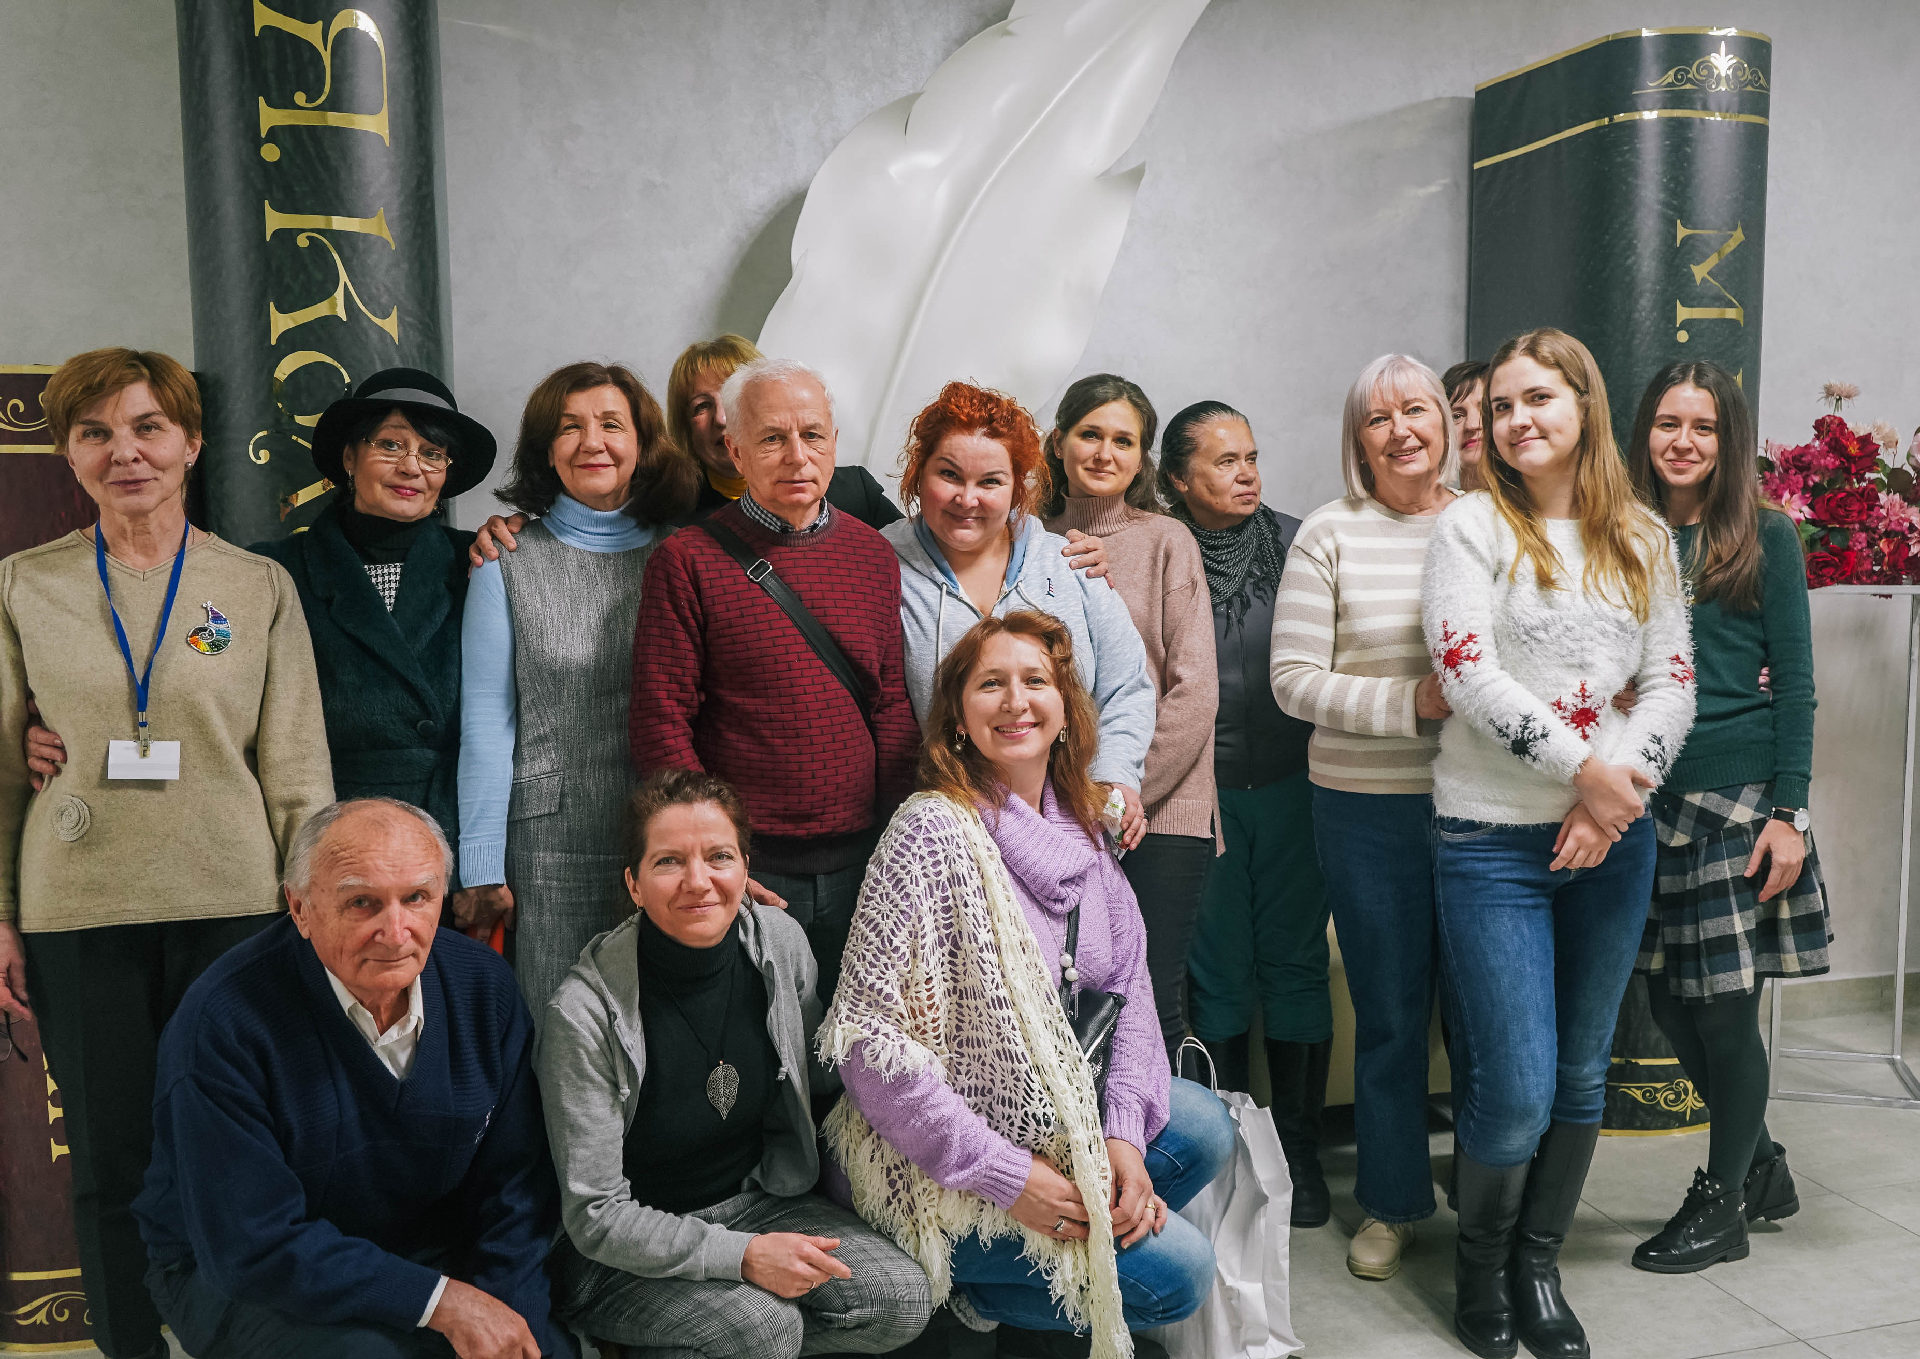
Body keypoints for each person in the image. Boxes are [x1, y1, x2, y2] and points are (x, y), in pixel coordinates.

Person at [0, 348, 333, 1359]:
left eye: (147, 427)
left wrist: (316, 905)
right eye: (96, 433)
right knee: (110, 1164)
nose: (125, 452)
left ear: (190, 443)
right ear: (70, 454)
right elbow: (0, 771)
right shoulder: (23, 585)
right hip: (77, 911)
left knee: (238, 1153)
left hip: (236, 910)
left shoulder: (256, 585)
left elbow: (298, 765)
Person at [819, 612, 1232, 1358]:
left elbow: (1130, 993)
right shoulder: (929, 834)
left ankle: (1061, 1260)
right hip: (934, 1168)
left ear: (1066, 710)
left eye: (1035, 680)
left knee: (1204, 1123)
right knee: (1181, 1275)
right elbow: (867, 1048)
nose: (1016, 701)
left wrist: (1121, 1141)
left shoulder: (1083, 831)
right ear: (957, 718)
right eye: (990, 684)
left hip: (1055, 1127)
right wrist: (1011, 1179)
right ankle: (959, 1289)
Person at [1422, 328, 1694, 1359]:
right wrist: (1586, 774)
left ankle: (1538, 1265)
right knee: (1516, 1088)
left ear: (1584, 404)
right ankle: (1480, 1267)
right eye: (1500, 406)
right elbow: (1466, 671)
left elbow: (1672, 682)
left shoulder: (1644, 536)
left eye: (1538, 398)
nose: (1516, 420)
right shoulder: (1470, 525)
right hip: (1490, 843)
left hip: (1612, 844)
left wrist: (1610, 801)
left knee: (1583, 1074)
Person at [134, 798, 571, 1359]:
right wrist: (442, 1303)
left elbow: (517, 1186)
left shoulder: (484, 986)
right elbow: (250, 1243)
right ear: (300, 909)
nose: (396, 931)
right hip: (244, 1276)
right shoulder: (222, 1021)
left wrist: (508, 1311)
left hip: (428, 1254)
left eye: (417, 898)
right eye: (363, 903)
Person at [536, 769, 933, 1357]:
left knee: (903, 1298)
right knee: (764, 1327)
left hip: (756, 1202)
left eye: (719, 857)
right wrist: (742, 1257)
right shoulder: (583, 1013)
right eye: (668, 862)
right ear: (634, 884)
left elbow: (819, 1073)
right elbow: (595, 1214)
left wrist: (902, 1023)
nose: (698, 882)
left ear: (746, 869)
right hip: (620, 1250)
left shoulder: (780, 942)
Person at [629, 357, 920, 1008]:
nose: (796, 455)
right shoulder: (686, 560)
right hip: (752, 871)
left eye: (812, 435)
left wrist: (898, 847)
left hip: (864, 865)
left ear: (834, 442)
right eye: (771, 438)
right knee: (759, 1044)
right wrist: (714, 860)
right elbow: (661, 722)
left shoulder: (874, 554)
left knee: (864, 1043)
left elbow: (891, 706)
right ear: (734, 449)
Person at [1624, 360, 1831, 1273]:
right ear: (1645, 432)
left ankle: (1722, 1204)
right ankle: (1763, 1165)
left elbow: (1797, 682)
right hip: (1650, 796)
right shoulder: (1621, 530)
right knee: (1669, 1002)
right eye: (1669, 423)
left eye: (1703, 427)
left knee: (1724, 1012)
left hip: (1739, 800)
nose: (1683, 441)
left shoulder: (1765, 535)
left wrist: (1791, 812)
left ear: (1728, 438)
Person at [1267, 354, 1456, 1263]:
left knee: (1482, 1015)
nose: (1400, 429)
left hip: (1485, 808)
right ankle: (1391, 1200)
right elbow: (1293, 680)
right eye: (1378, 418)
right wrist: (1409, 702)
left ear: (1446, 421)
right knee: (1388, 1013)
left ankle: (1490, 1201)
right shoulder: (1330, 532)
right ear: (1358, 439)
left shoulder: (1487, 523)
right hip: (1365, 811)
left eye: (1415, 409)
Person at [454, 362, 698, 1014]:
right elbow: (486, 722)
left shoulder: (685, 556)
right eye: (569, 427)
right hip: (549, 848)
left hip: (672, 841)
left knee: (664, 1029)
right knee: (561, 1031)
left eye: (611, 424)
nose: (592, 442)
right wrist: (481, 866)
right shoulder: (504, 561)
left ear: (642, 443)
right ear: (546, 450)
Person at [1160, 400, 1330, 1226]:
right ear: (1177, 478)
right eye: (1224, 461)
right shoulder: (1162, 551)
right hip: (1204, 793)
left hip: (1299, 785)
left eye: (1251, 457)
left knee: (1296, 962)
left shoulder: (1299, 543)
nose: (1246, 473)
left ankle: (1301, 1148)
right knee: (1217, 969)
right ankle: (1232, 1155)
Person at [885, 380, 1155, 833]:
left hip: (1071, 823)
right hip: (946, 829)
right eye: (949, 475)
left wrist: (1114, 777)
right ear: (918, 472)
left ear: (1016, 488)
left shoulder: (1071, 563)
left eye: (990, 481)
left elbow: (1126, 685)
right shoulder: (880, 568)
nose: (967, 499)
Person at [1042, 374, 1219, 1065]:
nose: (1104, 452)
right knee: (1072, 1002)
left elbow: (1194, 690)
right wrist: (1073, 802)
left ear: (1142, 457)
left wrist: (1121, 793)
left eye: (1124, 440)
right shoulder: (1028, 540)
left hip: (1163, 811)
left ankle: (1178, 1136)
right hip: (1059, 813)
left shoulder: (1167, 539)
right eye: (1090, 434)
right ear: (1059, 441)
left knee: (1153, 999)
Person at [463, 336, 907, 570]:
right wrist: (511, 530)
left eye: (736, 401)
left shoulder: (853, 492)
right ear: (682, 427)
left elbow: (925, 560)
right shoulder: (669, 513)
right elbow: (589, 527)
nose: (722, 418)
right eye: (701, 406)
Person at [1445, 360, 1490, 492]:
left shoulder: (1539, 501)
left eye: (1485, 410)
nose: (1472, 425)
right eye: (1456, 416)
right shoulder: (1446, 506)